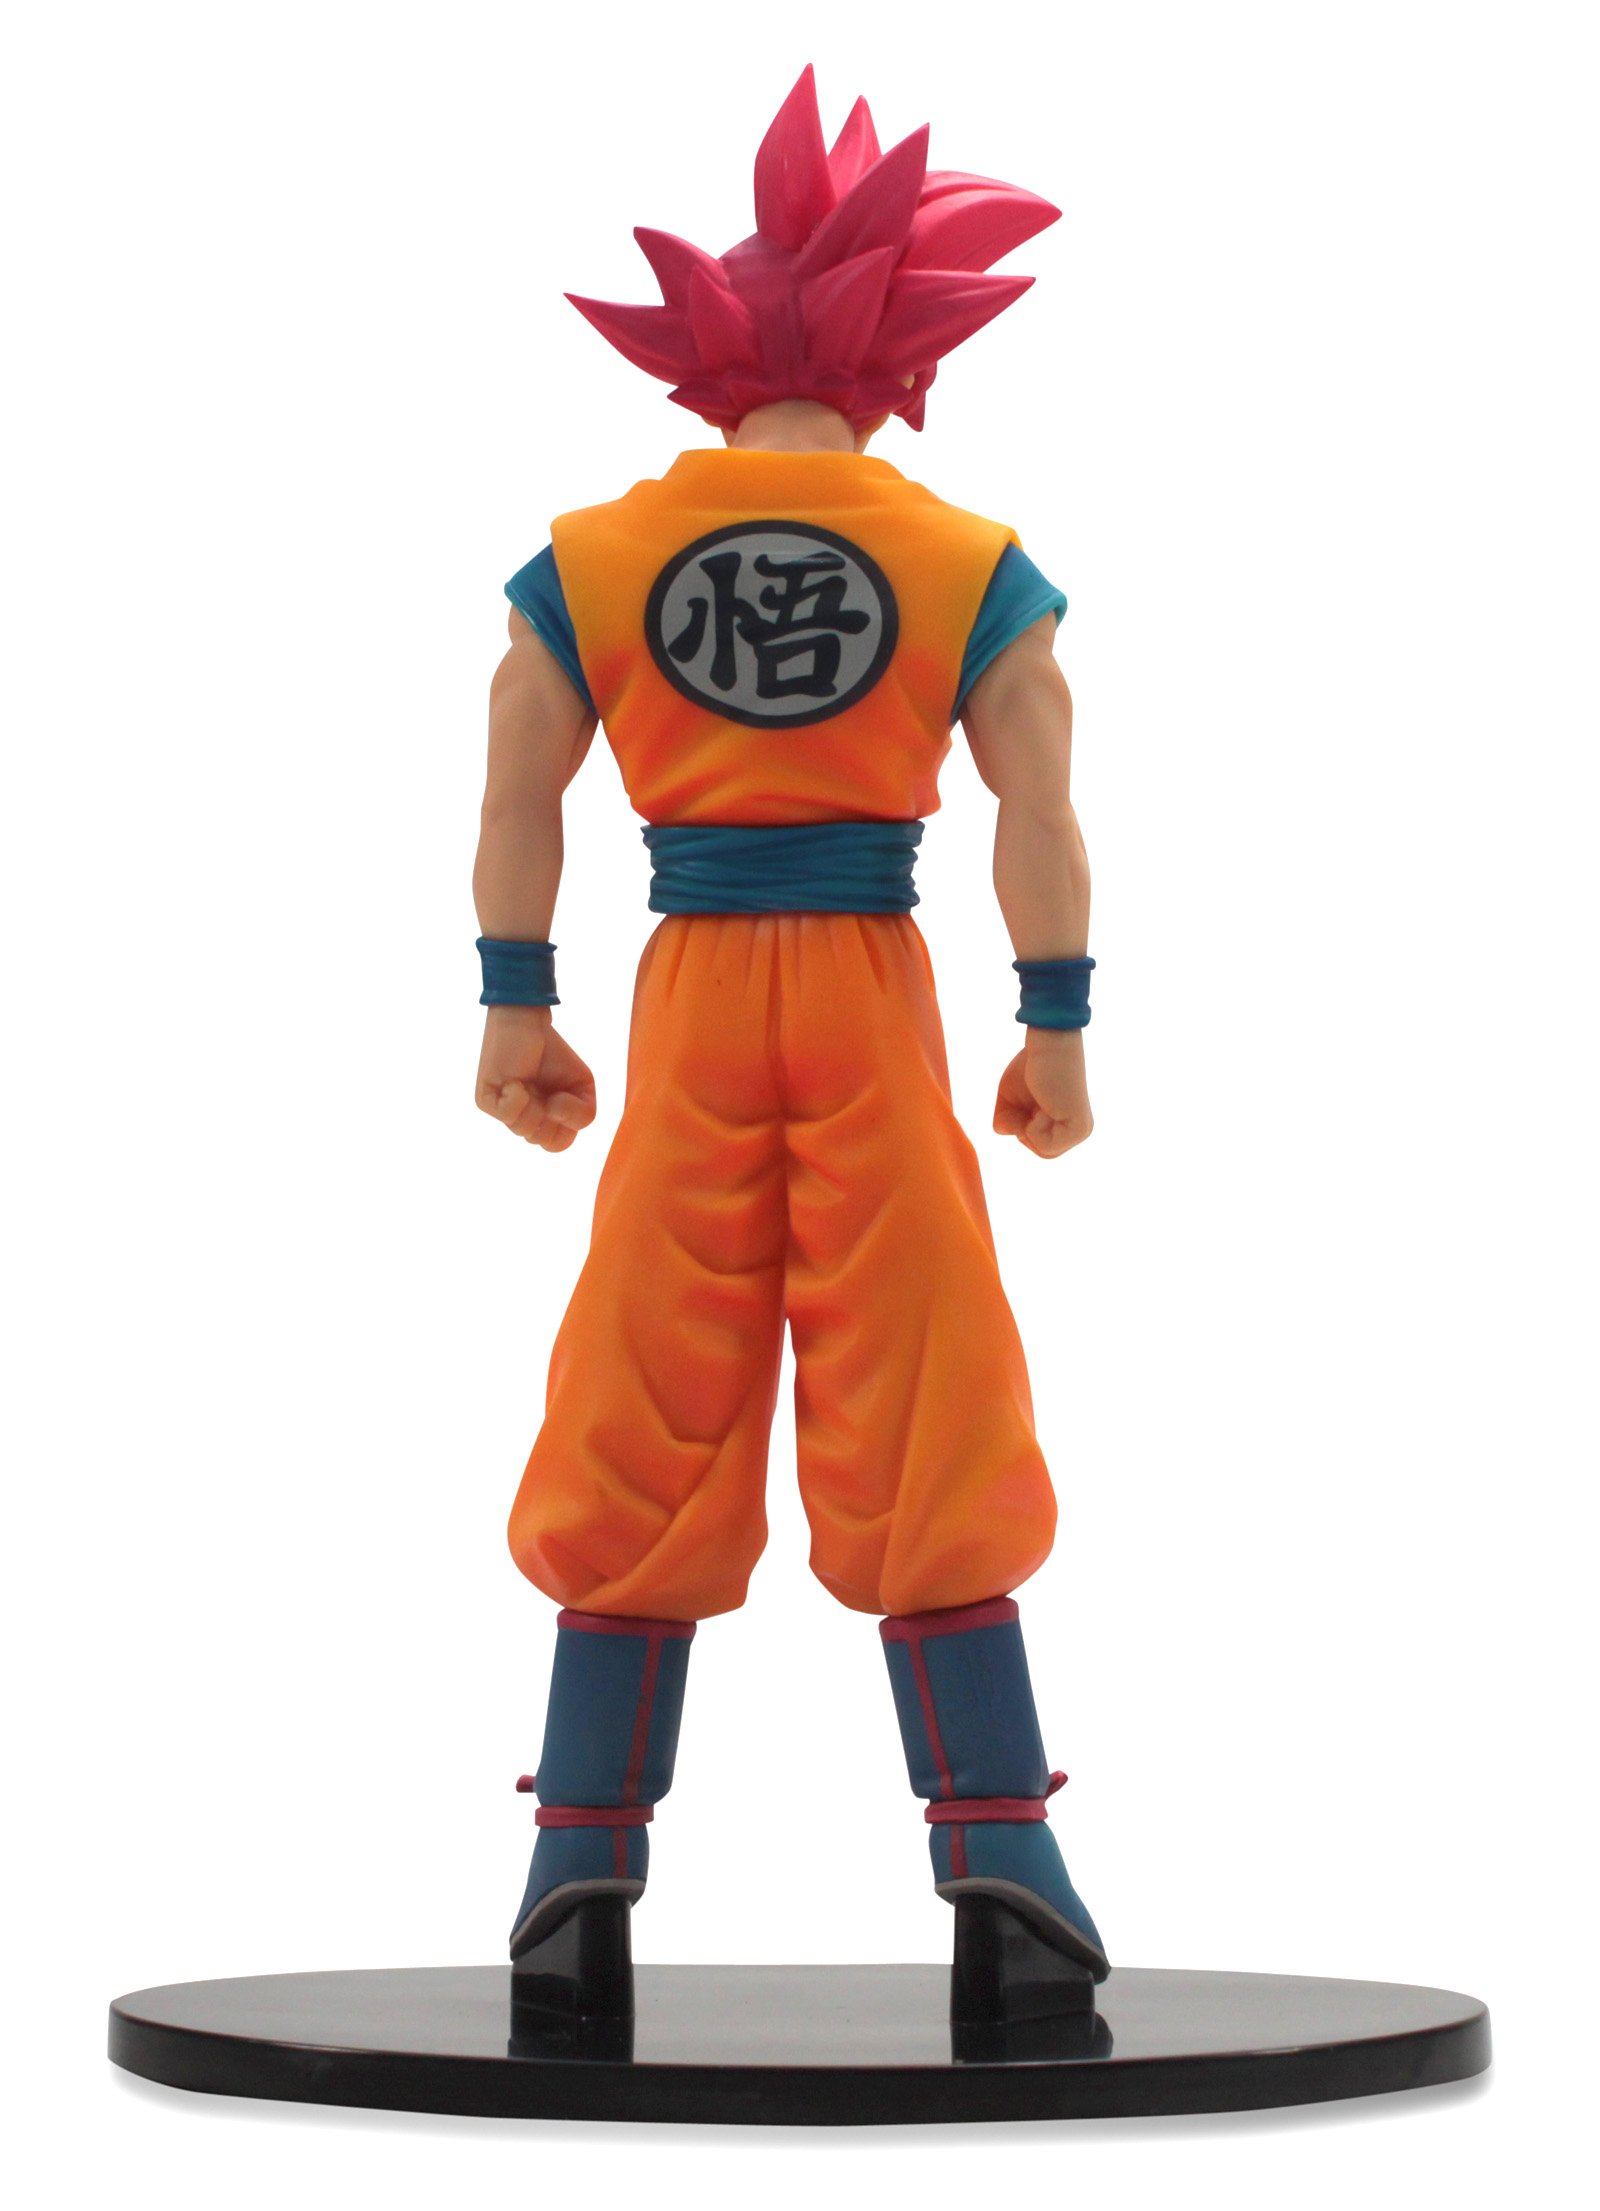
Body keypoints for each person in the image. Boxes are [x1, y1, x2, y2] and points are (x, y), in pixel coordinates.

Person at [472, 66, 1108, 1989]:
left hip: (686, 991)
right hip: (865, 985)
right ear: (904, 357)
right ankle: (1001, 1857)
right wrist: (1056, 1026)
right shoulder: (964, 559)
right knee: (926, 1370)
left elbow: (517, 790)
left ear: (709, 358)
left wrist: (517, 1004)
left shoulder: (592, 557)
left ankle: (577, 1867)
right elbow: (1037, 806)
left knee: (642, 1364)